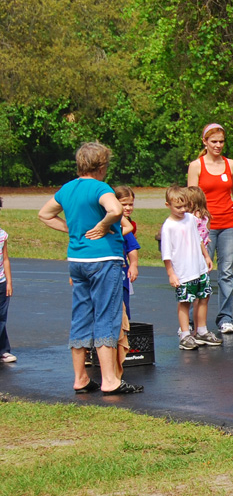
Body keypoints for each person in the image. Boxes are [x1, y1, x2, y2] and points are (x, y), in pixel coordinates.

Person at [37, 141, 141, 394]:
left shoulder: (67, 189)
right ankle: (109, 380)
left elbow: (44, 214)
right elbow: (115, 209)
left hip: (77, 261)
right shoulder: (100, 187)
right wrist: (105, 225)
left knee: (81, 315)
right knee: (106, 315)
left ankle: (81, 378)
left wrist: (72, 229)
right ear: (102, 165)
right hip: (104, 259)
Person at [186, 123, 233, 334]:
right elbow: (191, 197)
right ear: (205, 142)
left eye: (221, 141)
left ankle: (225, 318)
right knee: (201, 272)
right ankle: (194, 322)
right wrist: (194, 220)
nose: (218, 145)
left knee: (226, 272)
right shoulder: (197, 166)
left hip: (229, 223)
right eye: (214, 141)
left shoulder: (231, 165)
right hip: (206, 226)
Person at [160, 185, 219, 350]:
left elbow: (199, 238)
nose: (183, 209)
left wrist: (206, 256)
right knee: (185, 301)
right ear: (168, 205)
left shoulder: (191, 219)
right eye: (178, 207)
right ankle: (185, 334)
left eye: (185, 206)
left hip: (198, 267)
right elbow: (166, 254)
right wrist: (171, 274)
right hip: (183, 271)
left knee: (204, 298)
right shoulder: (168, 226)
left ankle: (202, 331)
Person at [114, 186, 142, 371]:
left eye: (131, 204)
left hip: (121, 274)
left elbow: (132, 247)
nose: (128, 208)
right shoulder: (108, 223)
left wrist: (133, 265)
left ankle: (122, 348)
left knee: (124, 311)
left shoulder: (127, 226)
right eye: (124, 204)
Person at [0, 196, 13, 364]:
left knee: (1, 318)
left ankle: (3, 350)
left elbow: (6, 259)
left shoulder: (2, 235)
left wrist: (9, 281)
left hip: (1, 282)